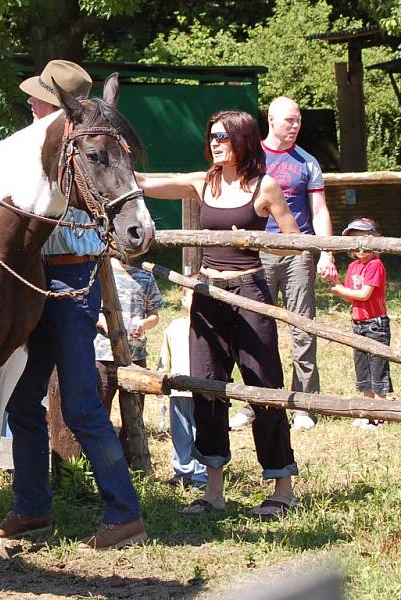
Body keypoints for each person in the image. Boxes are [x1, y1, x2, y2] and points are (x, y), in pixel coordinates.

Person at [0, 60, 148, 551]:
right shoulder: (46, 149)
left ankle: (124, 513)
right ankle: (33, 505)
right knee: (22, 401)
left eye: (39, 99)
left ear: (61, 108)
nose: (31, 106)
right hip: (37, 286)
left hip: (67, 282)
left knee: (81, 405)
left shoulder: (81, 154)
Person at [136, 110, 301, 519]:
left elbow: (294, 242)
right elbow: (143, 183)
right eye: (211, 136)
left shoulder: (265, 187)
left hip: (250, 293)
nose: (214, 142)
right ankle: (213, 492)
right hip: (208, 294)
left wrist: (257, 241)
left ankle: (282, 489)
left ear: (243, 139)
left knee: (265, 386)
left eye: (223, 136)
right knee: (207, 388)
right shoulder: (201, 182)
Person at [230, 96, 337, 432]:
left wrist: (326, 251)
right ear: (271, 121)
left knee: (303, 327)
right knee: (254, 328)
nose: (294, 126)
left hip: (297, 251)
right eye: (288, 120)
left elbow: (318, 210)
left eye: (298, 120)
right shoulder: (252, 159)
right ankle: (254, 403)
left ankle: (303, 403)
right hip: (258, 250)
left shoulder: (307, 162)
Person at [94, 258, 163, 460]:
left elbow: (154, 315)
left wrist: (143, 324)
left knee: (134, 410)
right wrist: (105, 324)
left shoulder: (145, 276)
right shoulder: (99, 272)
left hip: (135, 354)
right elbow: (88, 309)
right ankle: (98, 457)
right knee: (100, 405)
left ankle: (130, 458)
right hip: (103, 353)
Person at [330, 217, 392, 429]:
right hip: (358, 323)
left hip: (375, 323)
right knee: (363, 369)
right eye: (354, 242)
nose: (360, 247)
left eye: (364, 240)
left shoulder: (375, 265)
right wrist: (336, 283)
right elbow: (350, 297)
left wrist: (340, 290)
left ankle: (382, 412)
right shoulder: (354, 266)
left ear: (375, 241)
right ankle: (367, 411)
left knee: (378, 368)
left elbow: (364, 294)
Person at [157, 287, 208, 488]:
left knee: (200, 433)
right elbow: (164, 357)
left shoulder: (209, 328)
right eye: (190, 297)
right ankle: (182, 471)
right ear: (183, 300)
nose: (194, 302)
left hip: (202, 391)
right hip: (178, 391)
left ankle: (201, 475)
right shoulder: (174, 327)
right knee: (180, 434)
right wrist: (161, 381)